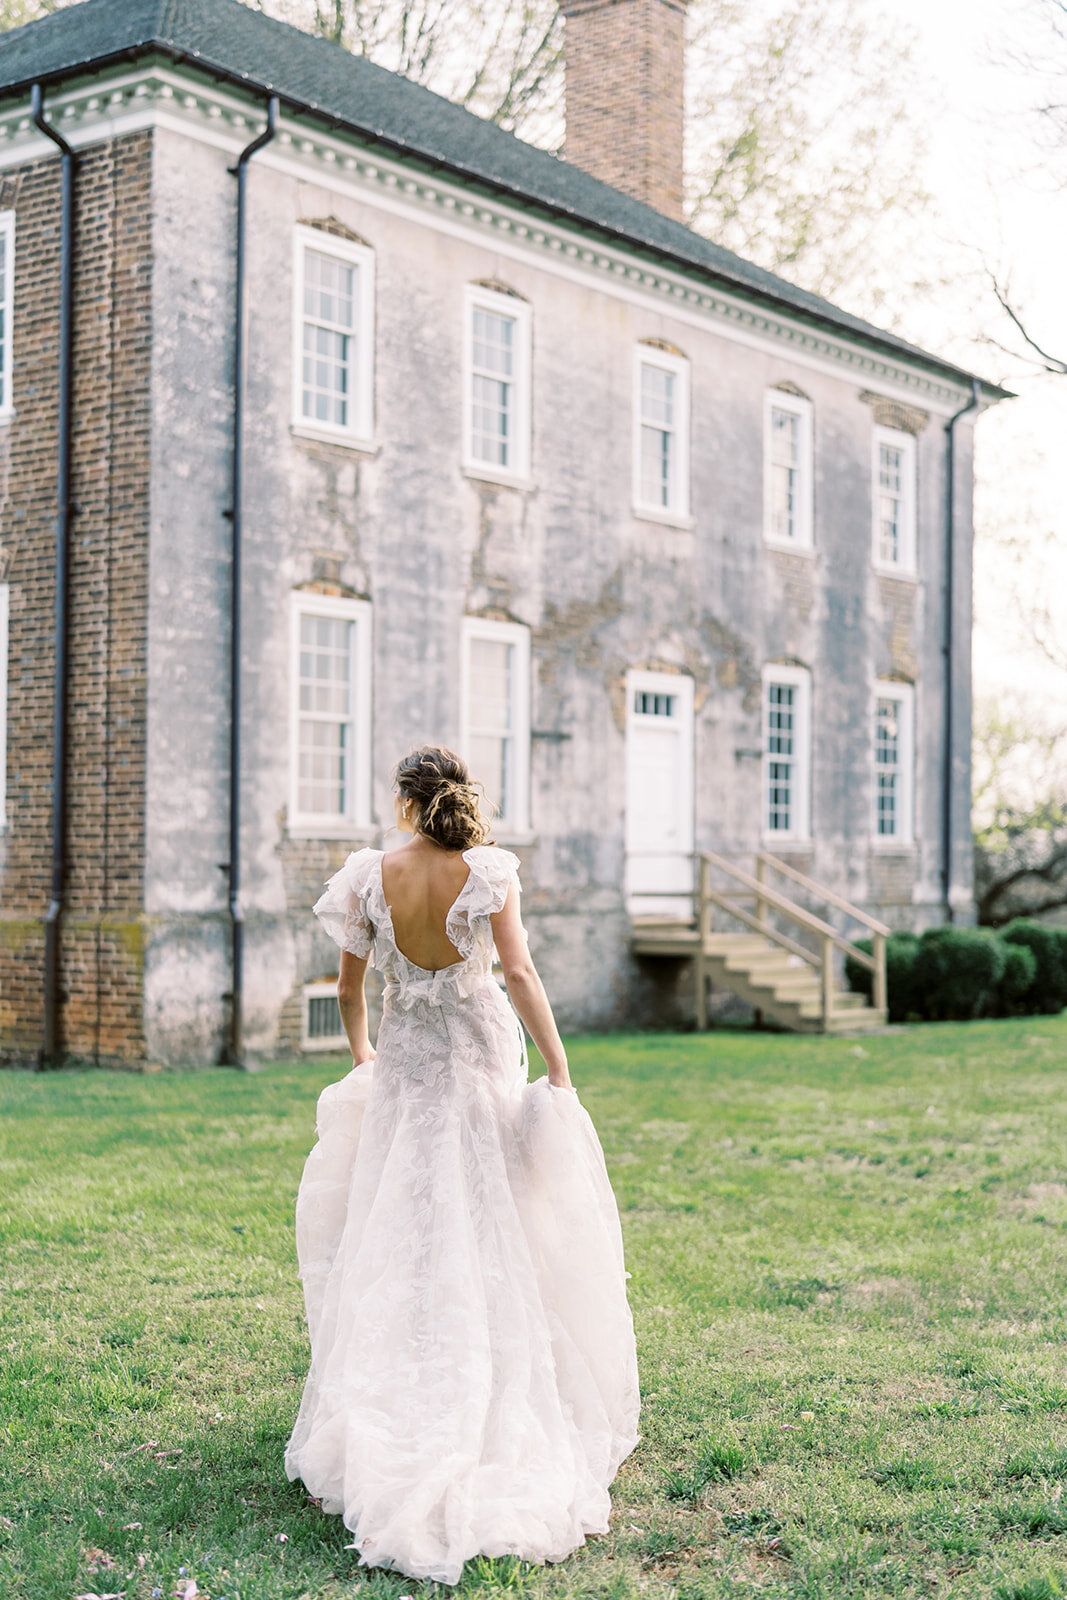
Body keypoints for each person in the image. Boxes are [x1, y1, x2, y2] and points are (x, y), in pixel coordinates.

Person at [283, 744, 640, 1587]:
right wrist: (557, 1066)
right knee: (489, 1205)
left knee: (405, 1215)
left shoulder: (371, 875)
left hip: (408, 1057)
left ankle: (401, 1378)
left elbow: (347, 988)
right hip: (477, 1051)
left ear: (404, 800)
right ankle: (489, 1377)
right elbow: (516, 972)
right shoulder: (486, 873)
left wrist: (366, 1055)